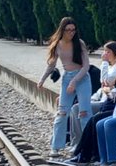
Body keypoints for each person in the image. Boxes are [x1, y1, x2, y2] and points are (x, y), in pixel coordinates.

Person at [37, 17, 92, 157]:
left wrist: (75, 81)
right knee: (62, 113)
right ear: (62, 30)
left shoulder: (80, 43)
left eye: (73, 30)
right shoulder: (57, 45)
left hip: (82, 78)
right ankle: (55, 147)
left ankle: (88, 147)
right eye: (68, 30)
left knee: (84, 112)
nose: (71, 33)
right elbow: (51, 64)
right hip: (67, 77)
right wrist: (42, 79)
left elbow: (86, 66)